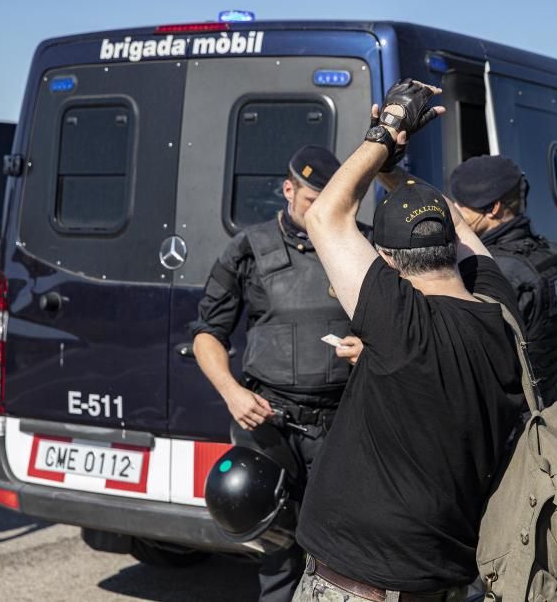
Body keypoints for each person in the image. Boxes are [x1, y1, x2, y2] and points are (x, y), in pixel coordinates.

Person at [291, 79, 523, 601]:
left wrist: (387, 131)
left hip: (361, 586)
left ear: (387, 260)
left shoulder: (402, 326)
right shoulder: (500, 312)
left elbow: (326, 216)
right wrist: (394, 171)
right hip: (441, 580)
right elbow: (461, 230)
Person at [189, 145, 363, 602]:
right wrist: (231, 392)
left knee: (341, 552)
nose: (322, 212)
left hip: (339, 422)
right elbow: (207, 333)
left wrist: (369, 346)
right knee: (279, 552)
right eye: (311, 201)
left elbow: (398, 324)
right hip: (271, 424)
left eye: (331, 202)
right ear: (289, 190)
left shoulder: (359, 246)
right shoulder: (249, 248)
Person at [449, 155, 557, 407]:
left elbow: (467, 359)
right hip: (542, 408)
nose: (456, 212)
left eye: (462, 205)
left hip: (511, 424)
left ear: (493, 208)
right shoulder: (548, 255)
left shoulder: (498, 271)